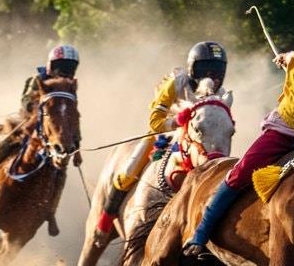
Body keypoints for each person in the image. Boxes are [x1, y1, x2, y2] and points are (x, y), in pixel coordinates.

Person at [183, 10, 294, 261]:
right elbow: (290, 57)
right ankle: (201, 232)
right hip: (283, 130)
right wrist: (283, 58)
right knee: (241, 172)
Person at [96, 40, 228, 234]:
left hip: (196, 143)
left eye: (217, 71)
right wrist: (177, 122)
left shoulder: (221, 95)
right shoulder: (176, 82)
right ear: (193, 68)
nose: (211, 76)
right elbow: (154, 121)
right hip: (165, 134)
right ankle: (107, 217)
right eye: (206, 69)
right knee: (128, 170)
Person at [0, 44, 80, 208]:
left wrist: (76, 143)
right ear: (52, 65)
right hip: (28, 124)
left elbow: (73, 115)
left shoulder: (69, 86)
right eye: (62, 65)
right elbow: (26, 101)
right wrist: (41, 107)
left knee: (61, 169)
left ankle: (51, 210)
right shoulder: (37, 79)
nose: (64, 69)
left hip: (53, 133)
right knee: (3, 147)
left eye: (69, 66)